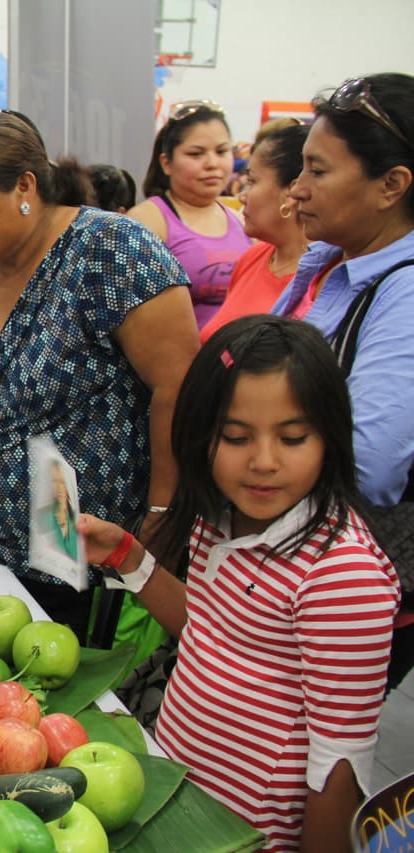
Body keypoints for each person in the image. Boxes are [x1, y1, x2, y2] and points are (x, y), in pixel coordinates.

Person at [0, 111, 198, 639]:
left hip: (85, 567)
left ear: (24, 186)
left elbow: (178, 386)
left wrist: (164, 509)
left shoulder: (111, 252)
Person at [80, 315, 399, 853]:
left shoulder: (343, 577)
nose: (264, 462)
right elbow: (206, 627)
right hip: (178, 794)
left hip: (249, 833)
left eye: (293, 437)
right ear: (202, 434)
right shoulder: (217, 515)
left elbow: (338, 768)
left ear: (331, 435)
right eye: (235, 437)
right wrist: (126, 555)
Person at [272, 73, 414, 690]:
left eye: (318, 171)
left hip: (325, 590)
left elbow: (371, 465)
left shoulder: (404, 291)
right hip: (277, 564)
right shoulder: (329, 264)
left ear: (392, 185)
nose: (296, 190)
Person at [129, 100, 252, 329]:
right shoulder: (147, 221)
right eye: (196, 154)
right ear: (166, 163)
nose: (212, 163)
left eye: (222, 151)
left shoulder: (240, 220)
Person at [200, 123, 310, 342]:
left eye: (252, 182)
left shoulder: (322, 276)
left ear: (290, 192)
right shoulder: (254, 257)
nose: (242, 196)